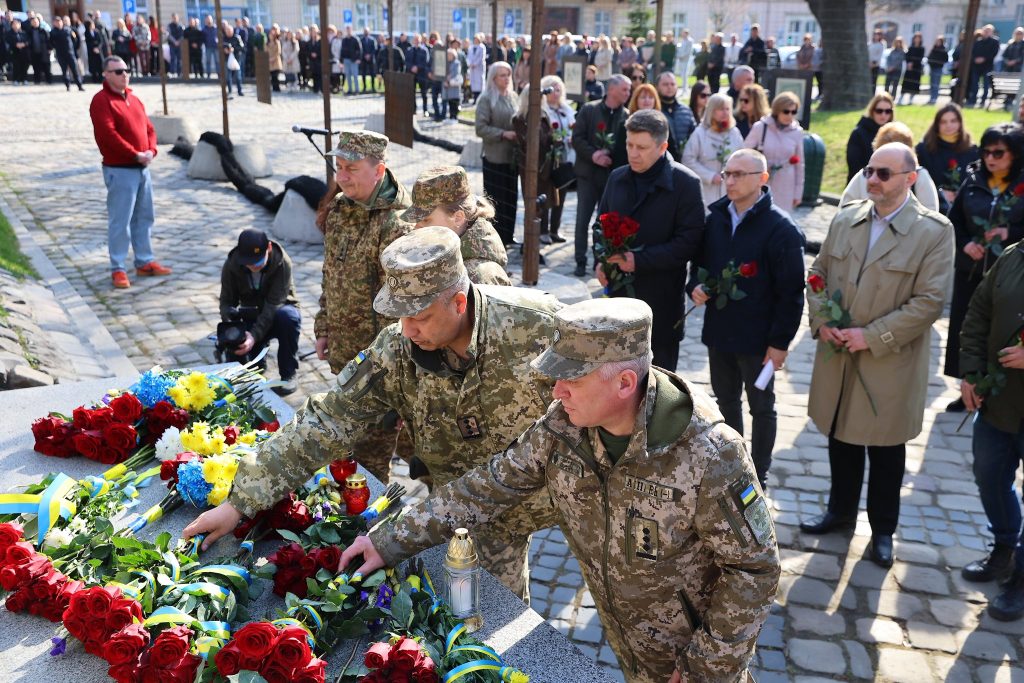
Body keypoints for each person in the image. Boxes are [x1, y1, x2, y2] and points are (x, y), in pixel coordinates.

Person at [337, 295, 780, 682]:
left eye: (573, 379)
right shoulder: (564, 426)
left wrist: (708, 668)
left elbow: (755, 569)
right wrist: (389, 541)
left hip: (694, 656)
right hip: (624, 639)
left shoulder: (708, 452)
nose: (557, 389)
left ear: (625, 383)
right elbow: (487, 486)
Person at [185, 227, 565, 600]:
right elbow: (328, 419)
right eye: (400, 315)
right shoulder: (397, 347)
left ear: (459, 302)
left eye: (419, 316)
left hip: (551, 500)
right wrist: (241, 502)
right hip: (463, 514)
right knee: (485, 613)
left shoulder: (539, 327)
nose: (408, 329)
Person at [800, 142, 954, 568]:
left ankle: (883, 529)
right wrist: (822, 321)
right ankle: (840, 512)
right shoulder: (847, 218)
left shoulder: (934, 231)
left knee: (886, 448)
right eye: (870, 170)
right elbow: (818, 274)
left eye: (883, 173)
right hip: (839, 354)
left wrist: (873, 336)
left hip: (889, 361)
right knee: (839, 434)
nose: (872, 179)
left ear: (910, 178)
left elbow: (930, 301)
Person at [687, 149, 805, 489]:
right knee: (725, 402)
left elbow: (791, 293)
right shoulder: (717, 219)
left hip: (759, 339)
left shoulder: (781, 228)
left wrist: (780, 343)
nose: (731, 181)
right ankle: (733, 467)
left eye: (740, 174)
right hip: (721, 331)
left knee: (762, 406)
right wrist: (695, 287)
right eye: (728, 174)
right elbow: (699, 267)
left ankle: (760, 473)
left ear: (762, 179)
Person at [312, 131, 413, 480]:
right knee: (349, 452)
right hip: (345, 358)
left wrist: (396, 382)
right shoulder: (341, 208)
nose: (340, 176)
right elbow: (331, 276)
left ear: (378, 170)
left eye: (350, 168)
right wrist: (324, 328)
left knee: (370, 466)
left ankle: (371, 530)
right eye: (338, 167)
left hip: (378, 369)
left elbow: (401, 309)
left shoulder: (397, 223)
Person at [594, 110, 704, 371]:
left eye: (642, 147)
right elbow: (599, 226)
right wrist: (600, 260)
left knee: (658, 384)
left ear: (663, 146)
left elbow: (689, 241)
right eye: (629, 145)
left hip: (661, 301)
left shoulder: (686, 184)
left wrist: (639, 261)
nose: (633, 153)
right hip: (619, 301)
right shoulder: (617, 177)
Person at [958, 243, 1024, 621]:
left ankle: (1022, 578)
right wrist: (970, 372)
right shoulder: (1013, 256)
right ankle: (1004, 548)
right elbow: (979, 312)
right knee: (989, 474)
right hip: (999, 401)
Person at [944, 123, 1024, 412]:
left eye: (999, 153)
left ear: (1015, 155)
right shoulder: (973, 178)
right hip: (970, 270)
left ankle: (998, 388)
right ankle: (966, 386)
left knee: (999, 329)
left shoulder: (1021, 185)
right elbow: (954, 220)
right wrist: (965, 243)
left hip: (1011, 276)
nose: (991, 158)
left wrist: (1009, 233)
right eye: (986, 151)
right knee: (965, 327)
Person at [89, 55, 172, 290]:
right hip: (120, 169)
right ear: (106, 74)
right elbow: (108, 134)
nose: (124, 74)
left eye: (126, 70)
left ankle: (144, 261)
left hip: (142, 168)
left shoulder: (134, 99)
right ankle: (118, 267)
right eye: (117, 71)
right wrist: (135, 153)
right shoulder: (102, 101)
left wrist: (152, 150)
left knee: (144, 217)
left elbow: (149, 128)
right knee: (120, 221)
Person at [219, 229, 300, 396]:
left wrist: (254, 336)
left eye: (257, 261)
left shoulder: (282, 263)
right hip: (250, 313)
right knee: (233, 335)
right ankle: (248, 366)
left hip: (278, 311)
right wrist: (231, 323)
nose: (253, 266)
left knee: (288, 318)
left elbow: (273, 304)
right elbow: (226, 301)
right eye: (248, 262)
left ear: (269, 248)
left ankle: (288, 373)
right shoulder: (232, 264)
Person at [403, 167, 510, 285]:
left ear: (458, 218)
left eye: (426, 220)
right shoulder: (440, 249)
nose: (416, 227)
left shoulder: (478, 277)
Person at [571, 73, 630, 277]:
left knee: (606, 222)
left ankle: (601, 261)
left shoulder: (626, 116)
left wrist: (610, 156)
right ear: (612, 89)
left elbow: (625, 146)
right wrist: (594, 154)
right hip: (587, 175)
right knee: (582, 219)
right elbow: (577, 138)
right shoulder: (589, 109)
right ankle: (580, 260)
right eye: (624, 89)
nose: (628, 93)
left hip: (610, 178)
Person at [514, 79, 573, 245]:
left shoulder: (544, 115)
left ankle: (550, 231)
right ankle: (538, 233)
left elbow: (548, 138)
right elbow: (527, 141)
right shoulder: (520, 118)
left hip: (547, 164)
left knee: (550, 198)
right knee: (536, 201)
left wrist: (557, 140)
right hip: (531, 167)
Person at [841, 121, 939, 212]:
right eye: (885, 149)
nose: (873, 179)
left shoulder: (920, 176)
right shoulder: (863, 175)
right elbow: (845, 210)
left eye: (884, 174)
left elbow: (930, 212)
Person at [475, 62, 520, 246]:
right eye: (502, 75)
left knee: (511, 197)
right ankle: (495, 238)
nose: (506, 78)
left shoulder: (513, 97)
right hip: (494, 156)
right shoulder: (486, 98)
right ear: (493, 78)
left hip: (512, 157)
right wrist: (502, 134)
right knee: (496, 199)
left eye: (508, 74)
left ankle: (508, 235)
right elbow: (480, 128)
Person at [743, 91, 805, 214]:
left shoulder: (797, 132)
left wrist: (798, 193)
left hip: (786, 185)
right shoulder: (760, 127)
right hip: (761, 183)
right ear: (777, 110)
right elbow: (744, 153)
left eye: (794, 112)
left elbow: (800, 164)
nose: (790, 115)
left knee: (780, 223)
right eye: (786, 111)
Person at [683, 92, 744, 208]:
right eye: (721, 109)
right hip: (706, 191)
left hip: (729, 190)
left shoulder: (734, 133)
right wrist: (710, 176)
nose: (725, 113)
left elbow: (742, 157)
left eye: (727, 109)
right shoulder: (700, 133)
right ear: (712, 110)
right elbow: (688, 160)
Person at [915, 103, 978, 215]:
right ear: (937, 124)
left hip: (963, 205)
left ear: (960, 123)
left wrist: (960, 194)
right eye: (943, 122)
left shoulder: (972, 150)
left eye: (953, 121)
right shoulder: (924, 149)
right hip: (931, 204)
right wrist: (940, 193)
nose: (949, 125)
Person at [846, 92, 894, 183]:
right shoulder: (858, 134)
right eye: (879, 111)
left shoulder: (894, 133)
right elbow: (854, 166)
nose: (883, 115)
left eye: (888, 111)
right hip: (862, 184)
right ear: (872, 111)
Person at [657, 71, 696, 156]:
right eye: (665, 84)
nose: (669, 87)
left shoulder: (686, 110)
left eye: (672, 84)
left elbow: (694, 136)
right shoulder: (654, 111)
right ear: (657, 87)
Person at [968, 25, 1000, 107]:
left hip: (987, 66)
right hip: (976, 66)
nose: (986, 32)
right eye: (985, 31)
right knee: (974, 84)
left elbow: (994, 53)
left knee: (986, 85)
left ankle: (983, 101)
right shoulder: (978, 42)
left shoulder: (994, 42)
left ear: (991, 32)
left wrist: (984, 58)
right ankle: (972, 100)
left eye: (988, 31)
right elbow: (972, 52)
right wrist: (975, 59)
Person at [50, 17, 84, 91]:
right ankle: (68, 85)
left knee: (75, 70)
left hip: (70, 53)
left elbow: (75, 39)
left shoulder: (68, 29)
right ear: (54, 23)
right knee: (64, 71)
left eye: (59, 21)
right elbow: (51, 43)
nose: (58, 23)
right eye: (56, 22)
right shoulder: (53, 32)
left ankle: (79, 85)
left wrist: (73, 48)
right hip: (60, 54)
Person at [406, 34, 430, 114]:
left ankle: (425, 109)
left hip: (422, 75)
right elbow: (406, 62)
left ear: (420, 40)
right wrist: (412, 67)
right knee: (412, 93)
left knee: (424, 93)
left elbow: (426, 62)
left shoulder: (424, 50)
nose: (416, 41)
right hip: (412, 75)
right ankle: (413, 109)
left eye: (417, 39)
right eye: (415, 39)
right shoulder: (409, 50)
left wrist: (418, 67)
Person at [900, 33, 924, 104]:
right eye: (915, 38)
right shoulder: (910, 48)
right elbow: (907, 56)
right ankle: (901, 98)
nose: (917, 39)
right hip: (909, 69)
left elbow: (920, 58)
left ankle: (911, 99)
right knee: (906, 83)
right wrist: (909, 63)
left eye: (918, 38)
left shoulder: (921, 49)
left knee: (914, 84)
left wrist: (913, 63)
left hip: (916, 69)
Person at [26, 16, 51, 84]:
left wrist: (49, 49)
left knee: (46, 67)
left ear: (39, 22)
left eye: (36, 21)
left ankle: (49, 80)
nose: (35, 23)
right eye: (33, 22)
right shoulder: (29, 32)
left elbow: (48, 41)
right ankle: (37, 81)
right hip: (34, 52)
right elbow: (28, 42)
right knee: (36, 67)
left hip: (44, 52)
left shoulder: (43, 31)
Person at [222, 23, 244, 98]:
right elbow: (220, 47)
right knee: (228, 77)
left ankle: (240, 90)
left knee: (238, 76)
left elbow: (242, 47)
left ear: (232, 31)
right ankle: (230, 91)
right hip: (226, 59)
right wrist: (224, 50)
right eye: (227, 31)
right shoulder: (223, 38)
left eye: (229, 31)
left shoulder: (237, 37)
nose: (228, 32)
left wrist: (234, 49)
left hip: (236, 59)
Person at [926, 36, 949, 105]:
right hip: (932, 68)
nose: (937, 43)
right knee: (932, 83)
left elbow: (945, 59)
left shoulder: (944, 50)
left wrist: (939, 63)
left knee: (936, 84)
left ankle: (934, 97)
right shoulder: (934, 49)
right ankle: (931, 97)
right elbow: (929, 57)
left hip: (938, 68)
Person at [7, 19, 29, 85]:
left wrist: (24, 44)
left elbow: (28, 40)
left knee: (24, 67)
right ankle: (16, 80)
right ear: (12, 25)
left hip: (24, 52)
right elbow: (8, 40)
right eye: (14, 24)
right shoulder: (9, 33)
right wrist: (15, 44)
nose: (16, 25)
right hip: (14, 52)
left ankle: (24, 79)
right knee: (16, 67)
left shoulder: (24, 32)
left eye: (17, 24)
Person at [444, 47, 462, 120]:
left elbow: (456, 73)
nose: (448, 56)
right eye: (448, 55)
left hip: (454, 85)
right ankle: (451, 116)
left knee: (455, 102)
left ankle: (454, 117)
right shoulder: (446, 63)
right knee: (450, 103)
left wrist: (449, 78)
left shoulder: (457, 63)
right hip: (447, 86)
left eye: (450, 55)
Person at [467, 33, 486, 103]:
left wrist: (475, 64)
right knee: (473, 83)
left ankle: (479, 98)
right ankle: (475, 98)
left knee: (479, 83)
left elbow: (481, 57)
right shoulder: (471, 47)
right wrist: (469, 64)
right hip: (472, 68)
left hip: (478, 67)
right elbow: (468, 57)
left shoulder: (482, 47)